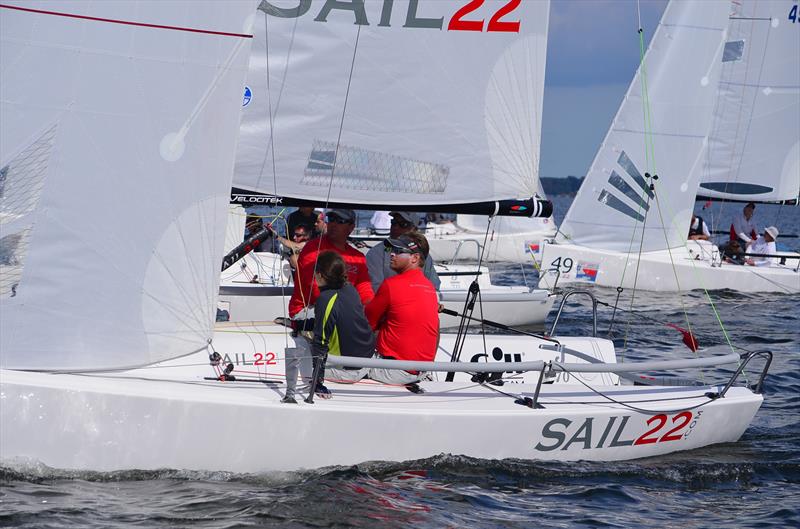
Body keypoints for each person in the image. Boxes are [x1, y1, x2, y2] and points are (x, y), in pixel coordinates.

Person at [365, 232, 439, 388]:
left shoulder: (391, 285)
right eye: (392, 250)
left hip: (393, 371)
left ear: (415, 258)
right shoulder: (429, 287)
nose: (392, 254)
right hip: (422, 371)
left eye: (399, 251)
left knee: (336, 364)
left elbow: (366, 325)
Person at [288, 209, 374, 325]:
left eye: (340, 221)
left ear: (351, 227)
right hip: (307, 311)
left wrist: (372, 308)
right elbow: (316, 289)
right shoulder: (313, 248)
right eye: (331, 219)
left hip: (344, 309)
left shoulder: (358, 257)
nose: (333, 224)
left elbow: (365, 290)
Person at [309, 251, 376, 396]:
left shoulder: (325, 299)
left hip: (348, 370)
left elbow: (320, 342)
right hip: (368, 358)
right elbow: (340, 318)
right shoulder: (350, 289)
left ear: (320, 275)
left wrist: (317, 382)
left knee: (300, 361)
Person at [366, 211, 440, 293]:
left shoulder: (423, 254)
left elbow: (433, 285)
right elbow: (375, 288)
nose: (396, 227)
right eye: (393, 223)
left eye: (403, 224)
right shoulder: (376, 253)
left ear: (414, 229)